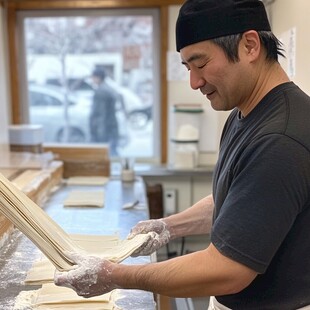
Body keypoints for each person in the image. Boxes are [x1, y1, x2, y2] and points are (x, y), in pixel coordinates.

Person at [54, 0, 310, 309]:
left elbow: (227, 270)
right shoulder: (246, 114)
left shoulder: (279, 139)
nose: (194, 82)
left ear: (250, 45)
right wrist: (169, 226)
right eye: (188, 68)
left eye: (200, 64)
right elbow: (238, 201)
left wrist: (116, 276)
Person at [89, 68, 120, 156]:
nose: (92, 80)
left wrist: (99, 130)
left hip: (104, 127)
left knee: (107, 153)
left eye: (93, 77)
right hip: (111, 125)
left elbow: (100, 113)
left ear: (98, 78)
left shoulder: (101, 92)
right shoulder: (108, 89)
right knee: (112, 150)